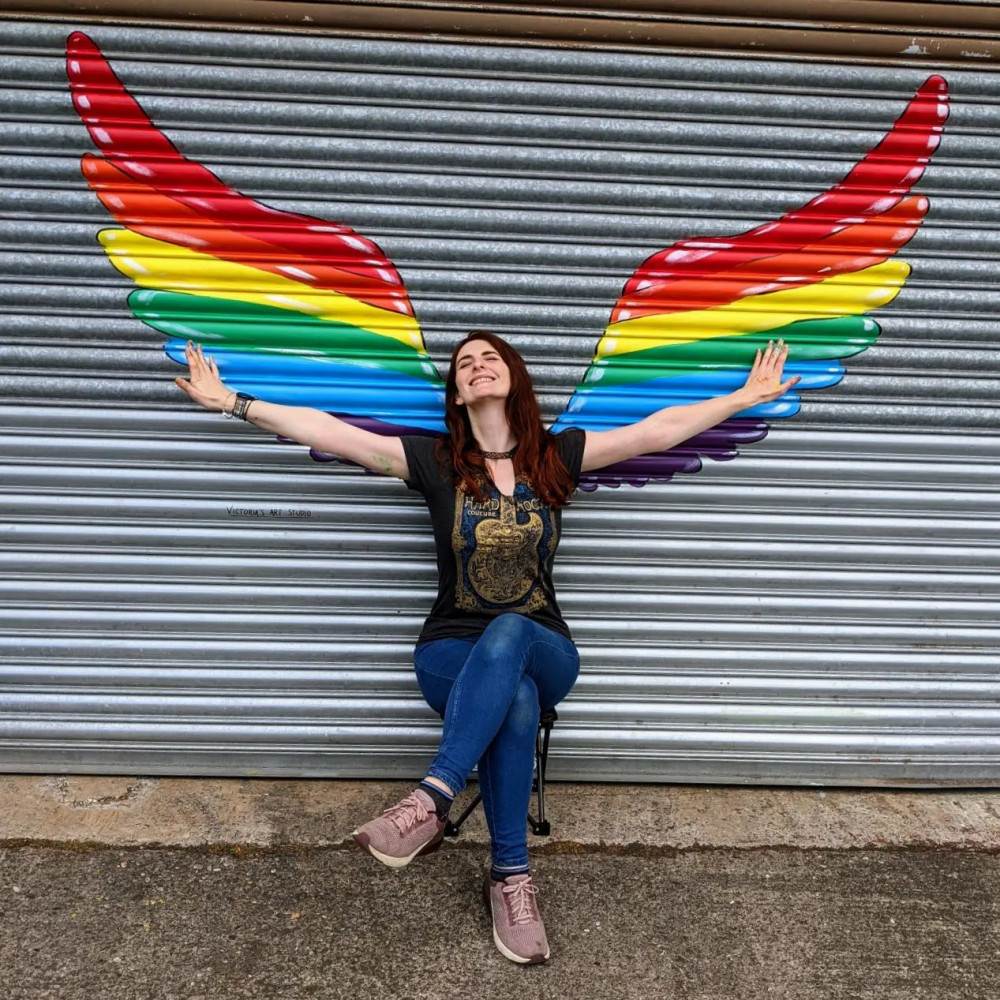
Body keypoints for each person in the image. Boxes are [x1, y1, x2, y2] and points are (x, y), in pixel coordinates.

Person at [175, 330, 799, 964]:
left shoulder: (556, 457)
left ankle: (431, 799)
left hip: (542, 643)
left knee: (512, 632)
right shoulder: (435, 461)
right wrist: (232, 400)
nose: (476, 367)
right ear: (456, 390)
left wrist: (744, 396)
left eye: (489, 359)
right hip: (449, 653)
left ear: (513, 377)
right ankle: (511, 878)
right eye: (464, 364)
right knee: (516, 701)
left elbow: (656, 431)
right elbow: (334, 432)